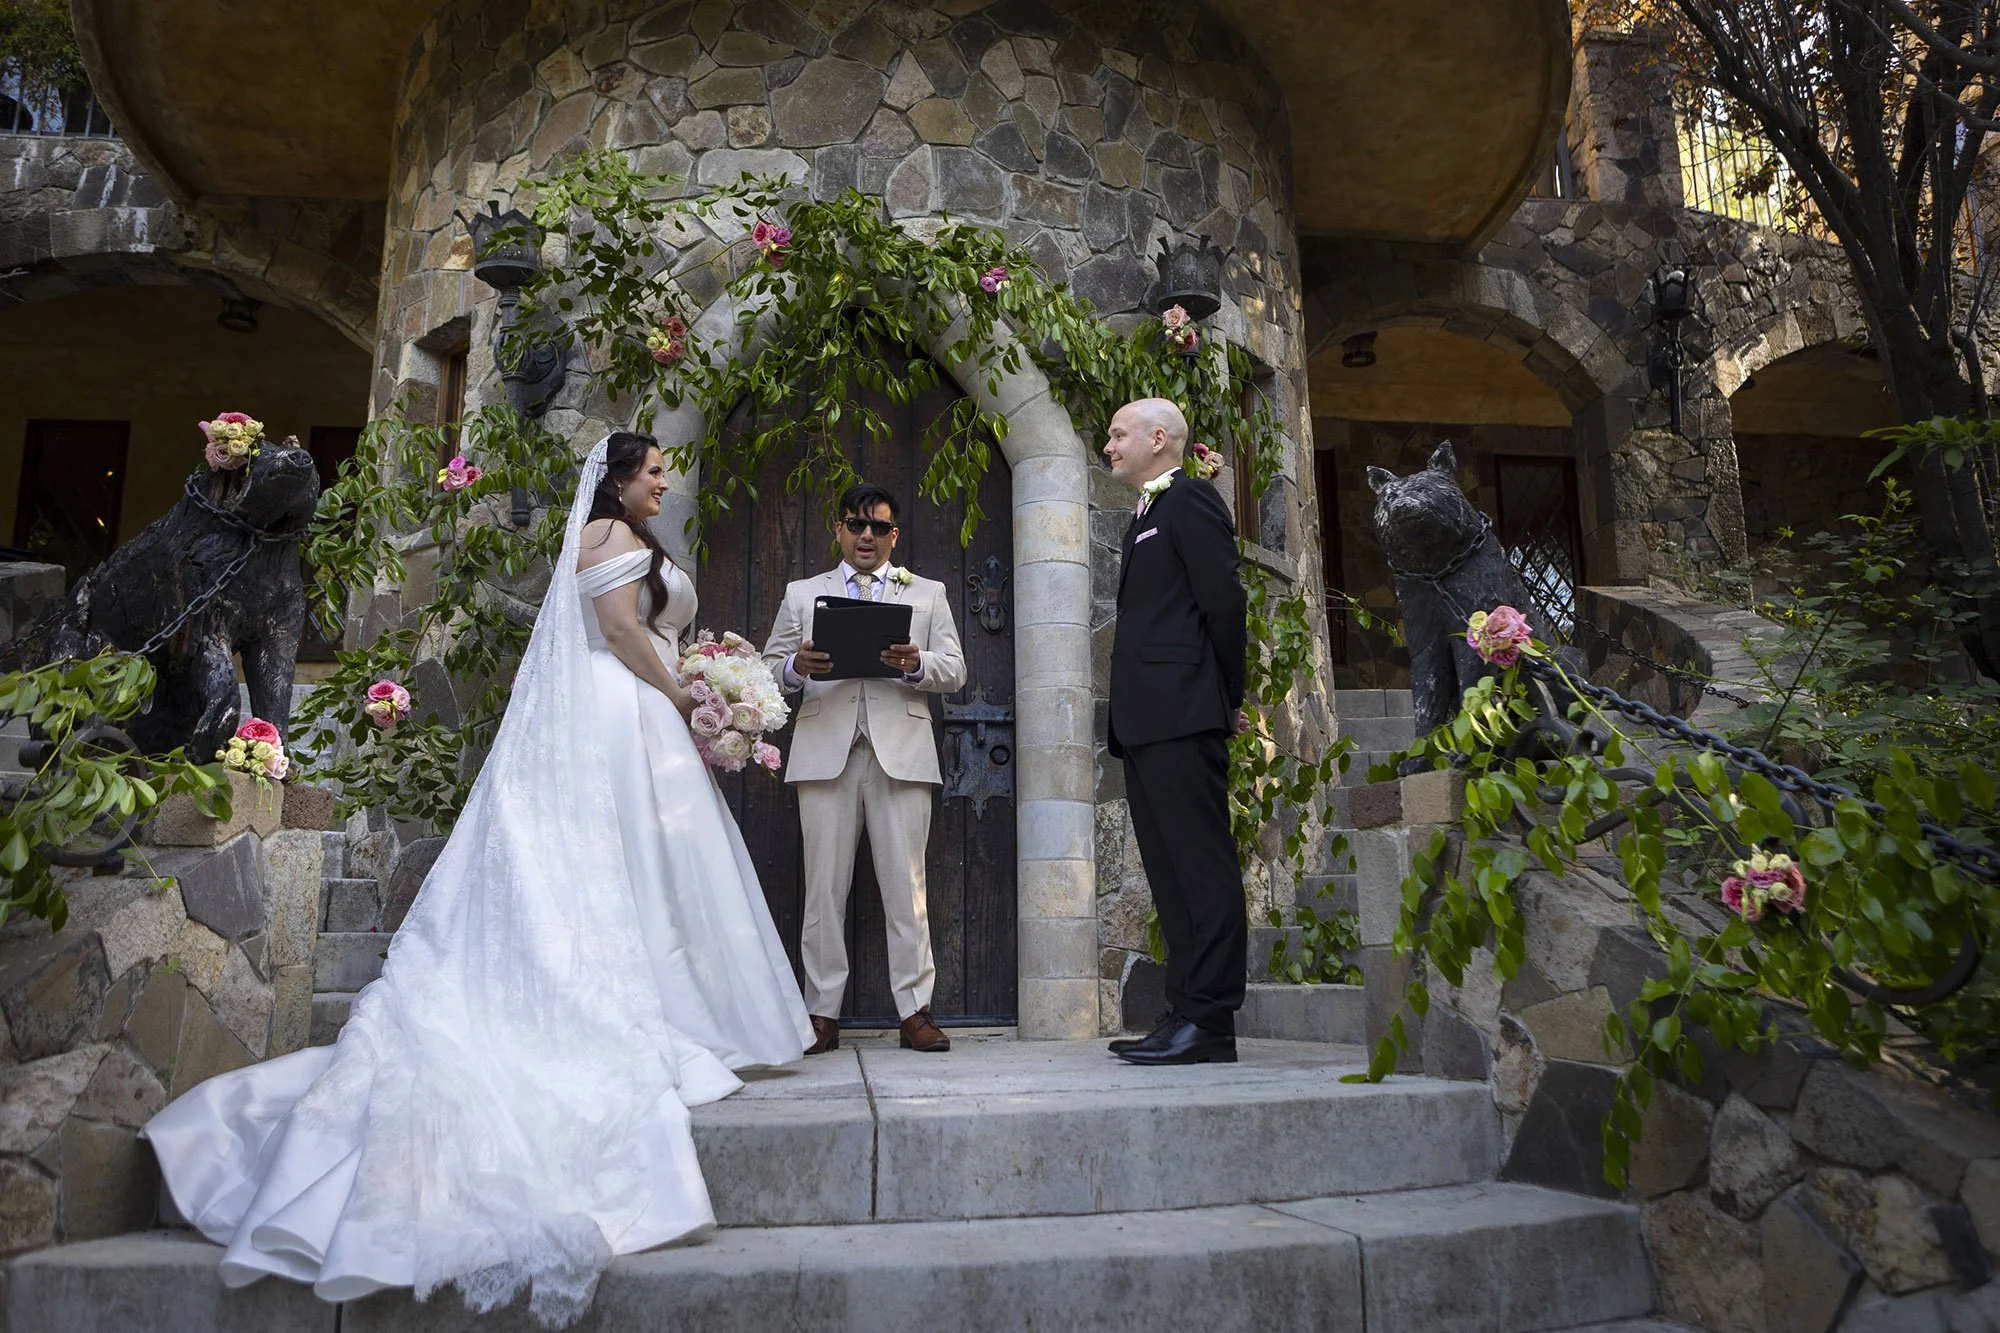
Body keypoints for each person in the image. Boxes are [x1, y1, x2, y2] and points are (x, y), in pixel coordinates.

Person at [141, 432, 813, 1329]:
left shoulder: (625, 541)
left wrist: (696, 672)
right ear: (617, 481)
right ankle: (663, 1003)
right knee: (634, 865)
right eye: (653, 472)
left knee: (654, 865)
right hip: (624, 709)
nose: (663, 482)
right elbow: (618, 632)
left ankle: (679, 995)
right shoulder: (610, 542)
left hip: (637, 709)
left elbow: (644, 627)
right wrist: (685, 695)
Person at [761, 481, 966, 1055]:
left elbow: (955, 669)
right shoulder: (804, 594)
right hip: (826, 750)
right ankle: (820, 1013)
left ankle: (915, 1011)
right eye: (856, 524)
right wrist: (796, 670)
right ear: (839, 530)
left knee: (908, 888)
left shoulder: (926, 593)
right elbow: (768, 666)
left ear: (894, 535)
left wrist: (915, 663)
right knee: (823, 889)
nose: (866, 535)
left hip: (900, 751)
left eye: (878, 526)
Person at [1101, 398, 1250, 1067]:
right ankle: (1184, 1009)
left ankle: (1211, 1019)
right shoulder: (1144, 515)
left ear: (1159, 439)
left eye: (1117, 434)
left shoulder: (1190, 501)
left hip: (1185, 713)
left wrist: (1227, 695)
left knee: (1201, 868)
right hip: (1146, 721)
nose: (1109, 446)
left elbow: (1224, 603)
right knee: (1169, 875)